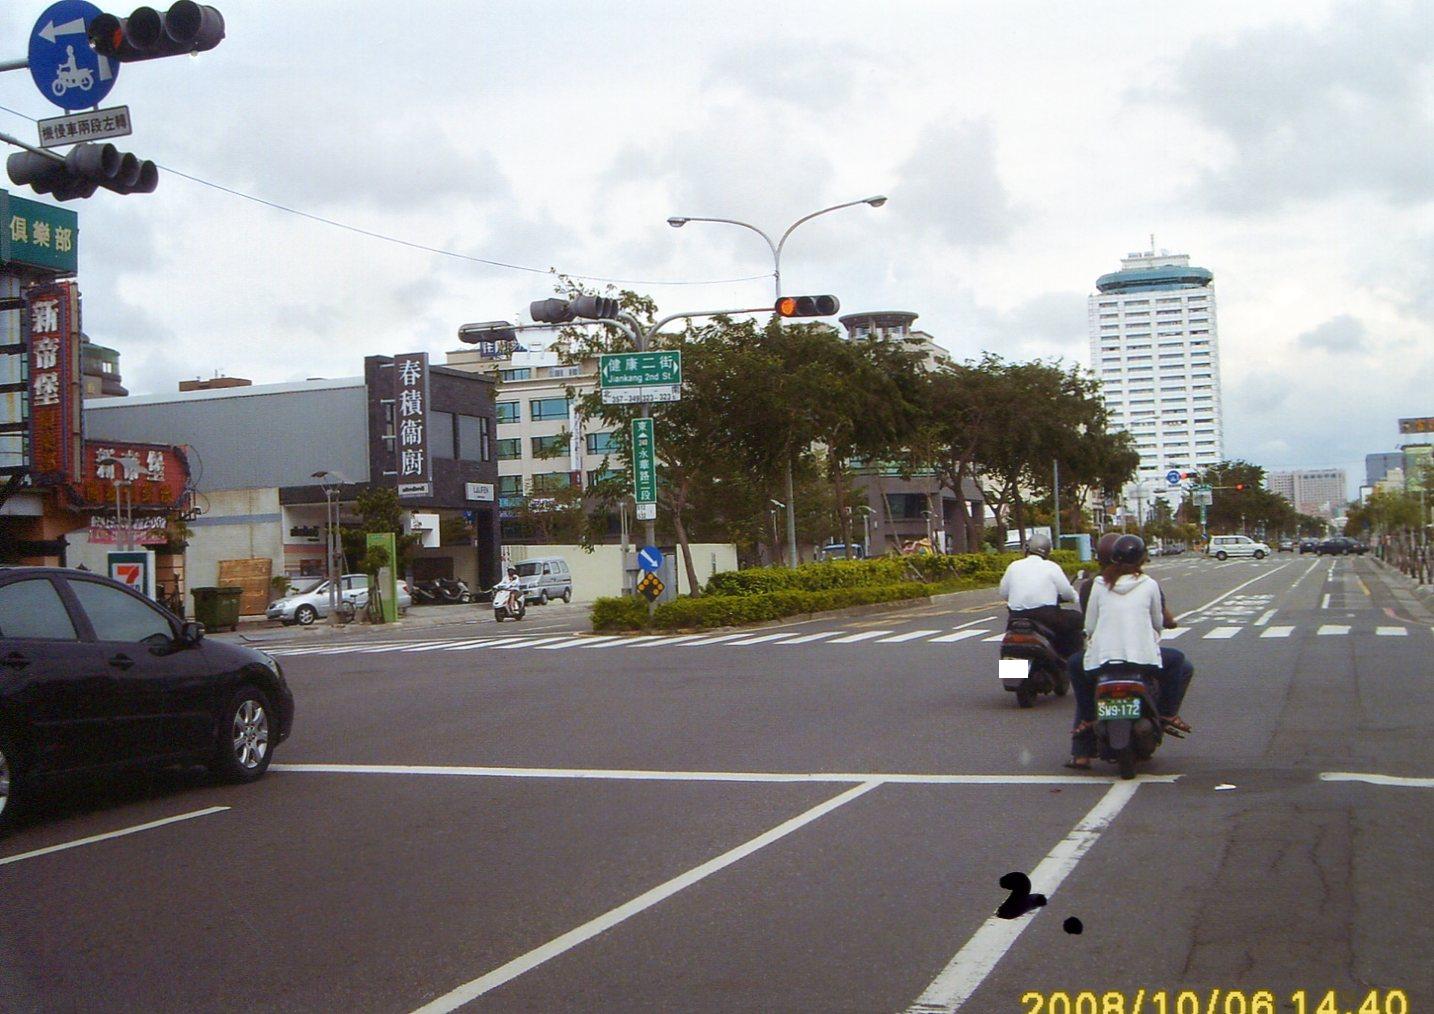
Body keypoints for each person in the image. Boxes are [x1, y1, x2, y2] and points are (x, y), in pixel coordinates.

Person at [1065, 534, 1191, 769]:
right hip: (1141, 660)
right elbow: (1158, 621)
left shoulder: (1094, 585)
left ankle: (1083, 742)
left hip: (1099, 659)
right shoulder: (1148, 584)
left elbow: (1088, 625)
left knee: (1078, 669)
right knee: (1180, 662)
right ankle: (1167, 713)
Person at [998, 532, 1081, 659]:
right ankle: (1071, 662)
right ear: (1047, 552)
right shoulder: (1051, 567)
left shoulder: (1013, 566)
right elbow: (1067, 593)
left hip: (1016, 618)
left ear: (1027, 548)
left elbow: (1003, 593)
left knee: (1011, 646)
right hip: (1046, 617)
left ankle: (1012, 669)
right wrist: (1074, 597)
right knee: (1077, 619)